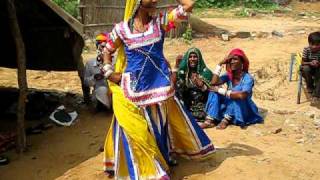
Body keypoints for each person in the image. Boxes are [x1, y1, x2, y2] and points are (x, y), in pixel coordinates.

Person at [101, 0, 215, 179]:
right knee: (136, 131)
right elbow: (107, 50)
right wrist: (109, 72)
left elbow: (188, 4)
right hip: (133, 90)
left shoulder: (160, 22)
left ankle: (160, 160)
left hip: (160, 88)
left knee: (158, 128)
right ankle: (145, 169)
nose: (155, 0)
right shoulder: (122, 29)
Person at [202, 48, 263, 129]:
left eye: (235, 59)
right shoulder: (229, 75)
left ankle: (226, 119)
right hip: (229, 104)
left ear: (242, 62)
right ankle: (209, 120)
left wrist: (221, 91)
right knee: (214, 91)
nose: (231, 62)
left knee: (236, 93)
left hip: (243, 108)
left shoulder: (248, 78)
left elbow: (242, 95)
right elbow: (214, 83)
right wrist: (220, 64)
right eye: (230, 60)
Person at [174, 48, 212, 121]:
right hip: (187, 104)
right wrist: (176, 67)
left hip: (201, 105)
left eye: (195, 57)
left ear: (199, 58)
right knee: (180, 83)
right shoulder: (184, 73)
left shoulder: (205, 72)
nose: (192, 59)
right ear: (187, 59)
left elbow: (211, 91)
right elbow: (173, 83)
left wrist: (202, 86)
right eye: (190, 57)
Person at [83, 33, 112, 110]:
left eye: (107, 47)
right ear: (97, 47)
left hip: (114, 94)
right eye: (102, 46)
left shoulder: (116, 62)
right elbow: (86, 82)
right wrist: (94, 78)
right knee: (102, 90)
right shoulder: (90, 63)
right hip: (99, 94)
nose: (104, 50)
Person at [301, 31, 320, 104]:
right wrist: (310, 63)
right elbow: (302, 62)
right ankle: (310, 86)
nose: (314, 46)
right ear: (309, 43)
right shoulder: (307, 49)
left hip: (318, 69)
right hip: (308, 68)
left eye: (317, 45)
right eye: (312, 44)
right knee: (306, 68)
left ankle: (316, 95)